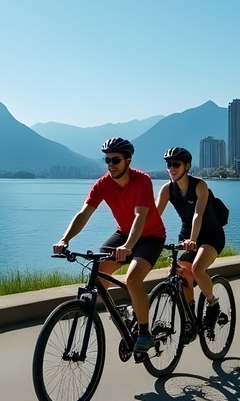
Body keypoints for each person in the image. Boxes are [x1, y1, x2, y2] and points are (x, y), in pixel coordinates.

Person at [53, 138, 166, 352]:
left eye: (115, 159)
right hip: (124, 233)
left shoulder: (142, 180)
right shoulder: (103, 183)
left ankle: (144, 333)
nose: (111, 164)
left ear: (128, 160)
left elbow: (139, 217)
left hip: (151, 236)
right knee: (97, 277)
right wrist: (64, 239)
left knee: (132, 279)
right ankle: (121, 314)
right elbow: (84, 214)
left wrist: (128, 246)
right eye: (107, 160)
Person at [155, 147, 223, 331]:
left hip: (210, 236)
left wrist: (192, 239)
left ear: (187, 166)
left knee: (197, 269)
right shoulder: (167, 189)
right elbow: (155, 216)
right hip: (186, 236)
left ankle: (213, 303)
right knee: (178, 272)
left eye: (176, 164)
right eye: (168, 164)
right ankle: (189, 317)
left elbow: (197, 215)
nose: (171, 168)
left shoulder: (200, 185)